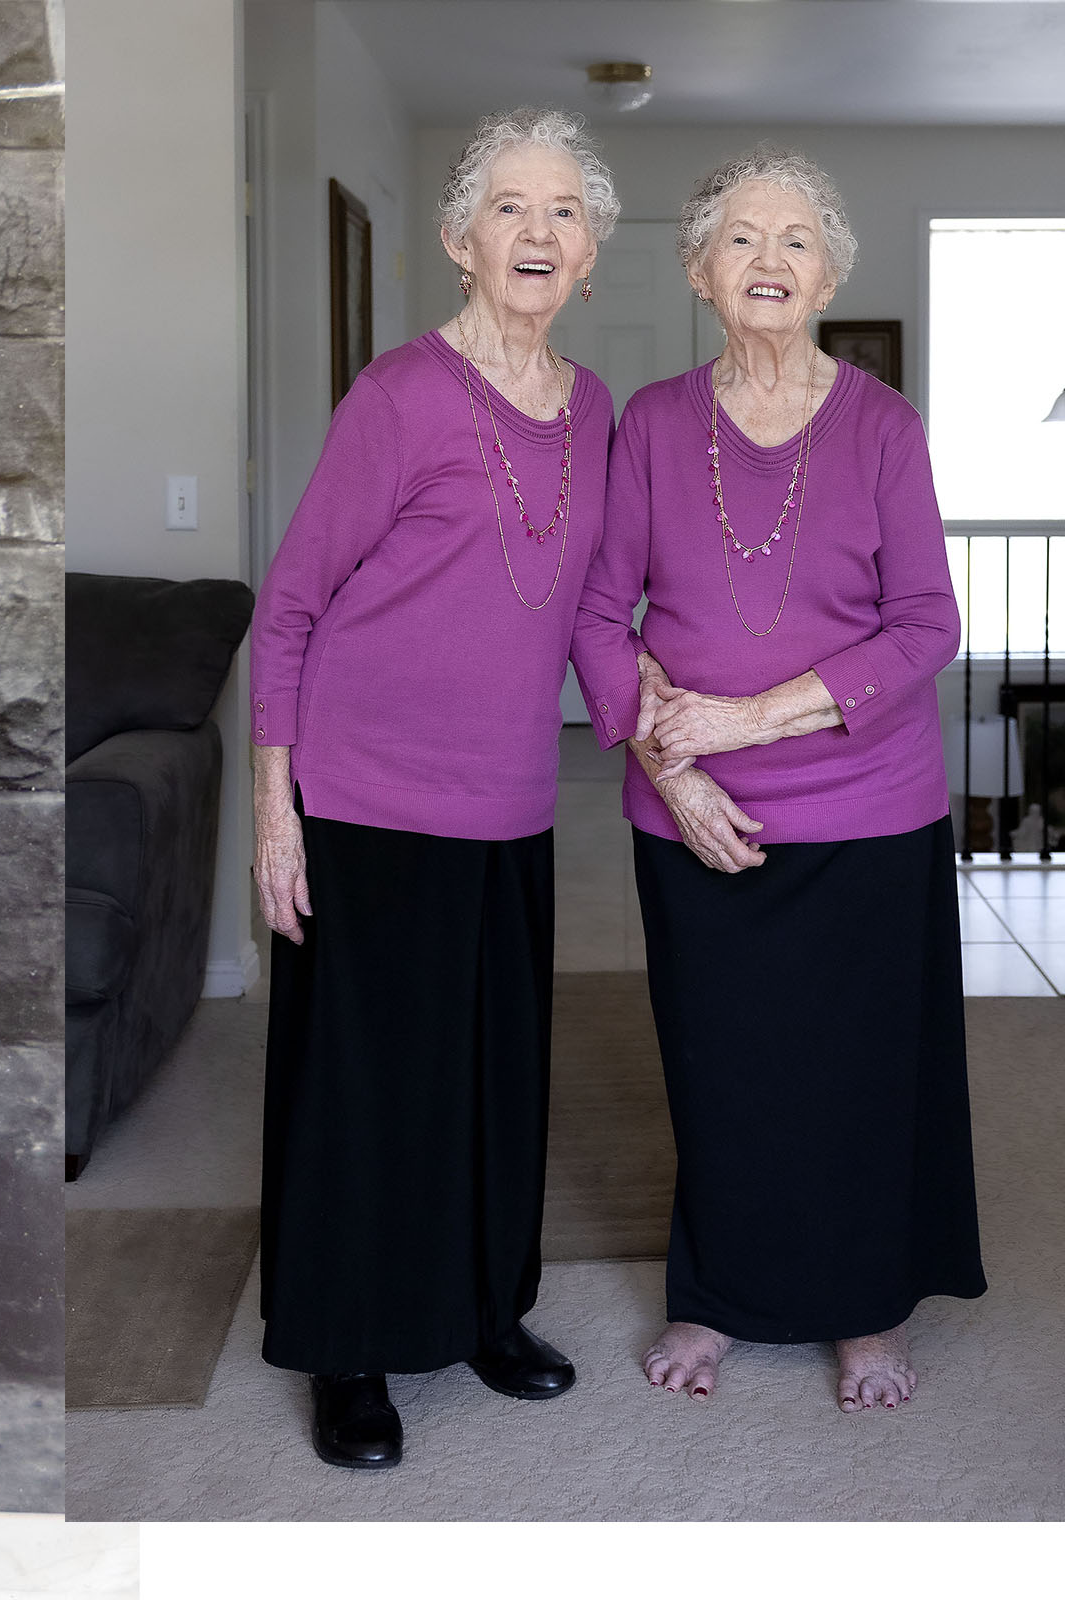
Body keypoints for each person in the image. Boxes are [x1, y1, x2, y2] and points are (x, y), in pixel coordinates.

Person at [571, 146, 987, 1412]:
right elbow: (597, 614)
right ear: (699, 271)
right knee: (718, 1063)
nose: (766, 260)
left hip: (869, 812)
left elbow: (924, 625)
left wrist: (745, 718)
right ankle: (715, 1295)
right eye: (738, 238)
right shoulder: (649, 423)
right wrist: (671, 765)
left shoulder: (880, 426)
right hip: (690, 812)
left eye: (793, 239)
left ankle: (863, 1311)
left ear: (828, 272)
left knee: (858, 1071)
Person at [250, 108, 618, 1469]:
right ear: (461, 239)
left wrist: (665, 740)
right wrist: (273, 809)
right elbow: (289, 611)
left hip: (514, 800)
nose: (539, 231)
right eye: (511, 208)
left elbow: (589, 616)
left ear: (590, 254)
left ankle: (483, 1312)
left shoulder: (594, 410)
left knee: (490, 1079)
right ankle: (347, 1349)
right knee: (366, 1092)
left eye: (565, 211)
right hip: (368, 798)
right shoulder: (397, 396)